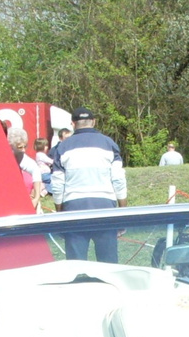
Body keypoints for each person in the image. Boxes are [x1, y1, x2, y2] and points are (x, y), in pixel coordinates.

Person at [48, 108, 127, 261]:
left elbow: (58, 185)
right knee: (109, 265)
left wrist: (59, 212)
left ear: (72, 123)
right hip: (105, 208)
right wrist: (122, 212)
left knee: (76, 265)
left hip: (74, 209)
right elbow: (118, 179)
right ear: (94, 121)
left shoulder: (62, 147)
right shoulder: (109, 144)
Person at [8, 127, 45, 210]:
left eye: (25, 146)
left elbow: (35, 170)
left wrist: (36, 197)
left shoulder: (21, 156)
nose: (24, 150)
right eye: (20, 147)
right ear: (11, 146)